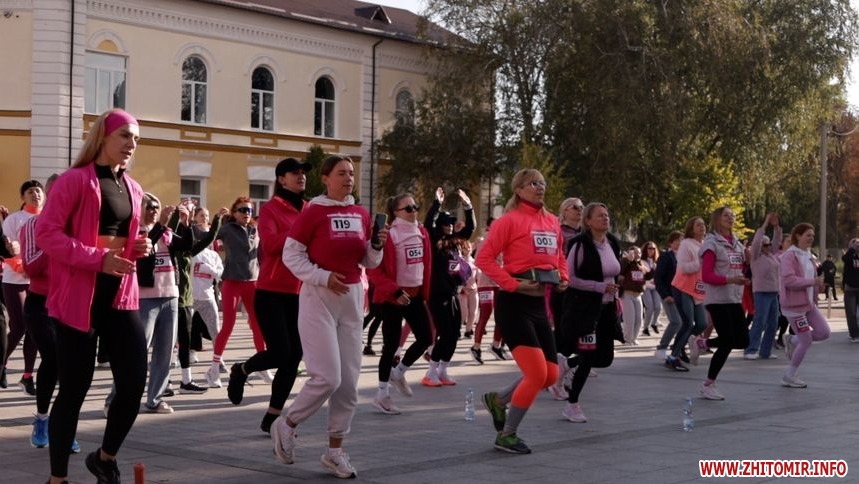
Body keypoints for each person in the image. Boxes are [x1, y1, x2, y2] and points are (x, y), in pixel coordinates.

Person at [36, 108, 153, 484]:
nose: (132, 144)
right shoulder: (74, 181)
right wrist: (99, 258)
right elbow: (47, 234)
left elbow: (122, 239)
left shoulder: (133, 187)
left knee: (133, 383)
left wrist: (139, 247)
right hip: (78, 299)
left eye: (136, 139)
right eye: (125, 136)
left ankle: (105, 458)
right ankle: (58, 478)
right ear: (103, 136)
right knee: (74, 389)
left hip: (121, 296)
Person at [272, 155, 386, 478]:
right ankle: (287, 423)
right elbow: (291, 254)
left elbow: (368, 261)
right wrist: (322, 277)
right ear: (326, 178)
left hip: (352, 299)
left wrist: (377, 246)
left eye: (351, 173)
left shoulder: (360, 213)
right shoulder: (313, 212)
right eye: (341, 173)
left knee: (348, 383)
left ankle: (335, 451)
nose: (349, 178)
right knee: (327, 377)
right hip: (318, 298)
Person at [475, 169, 568, 454]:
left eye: (542, 182)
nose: (540, 187)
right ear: (518, 189)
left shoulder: (552, 221)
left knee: (550, 375)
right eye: (533, 183)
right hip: (513, 305)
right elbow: (483, 258)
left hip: (539, 305)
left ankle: (498, 400)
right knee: (537, 374)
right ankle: (507, 435)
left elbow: (560, 256)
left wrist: (563, 277)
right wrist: (513, 284)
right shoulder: (508, 221)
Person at [226, 157, 310, 435]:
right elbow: (272, 246)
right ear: (281, 179)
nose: (301, 177)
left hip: (300, 292)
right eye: (295, 173)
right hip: (271, 291)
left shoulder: (309, 209)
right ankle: (241, 369)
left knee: (294, 356)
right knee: (281, 352)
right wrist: (301, 230)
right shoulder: (271, 209)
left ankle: (272, 417)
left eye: (303, 173)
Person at [367, 193, 433, 415]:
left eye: (416, 206)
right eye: (408, 208)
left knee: (426, 338)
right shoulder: (389, 234)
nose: (414, 211)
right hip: (392, 297)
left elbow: (425, 264)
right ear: (395, 212)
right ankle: (381, 395)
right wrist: (394, 291)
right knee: (390, 346)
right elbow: (373, 270)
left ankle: (398, 373)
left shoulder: (421, 231)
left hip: (415, 295)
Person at [557, 202, 621, 423]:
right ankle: (572, 405)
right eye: (600, 215)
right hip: (585, 310)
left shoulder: (612, 242)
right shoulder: (580, 244)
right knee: (588, 357)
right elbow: (570, 278)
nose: (605, 218)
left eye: (607, 214)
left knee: (604, 358)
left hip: (607, 308)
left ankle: (567, 364)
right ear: (588, 221)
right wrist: (599, 287)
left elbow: (614, 271)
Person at [207, 197, 266, 387]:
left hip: (253, 282)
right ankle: (214, 368)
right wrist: (217, 219)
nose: (246, 213)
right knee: (228, 325)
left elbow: (262, 254)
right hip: (232, 281)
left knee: (258, 325)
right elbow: (208, 236)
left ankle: (262, 367)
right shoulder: (228, 229)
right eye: (242, 210)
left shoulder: (255, 229)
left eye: (249, 210)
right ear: (234, 213)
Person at [422, 187, 475, 386]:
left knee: (454, 334)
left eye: (452, 223)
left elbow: (470, 229)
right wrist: (436, 204)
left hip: (453, 295)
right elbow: (428, 224)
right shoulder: (434, 242)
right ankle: (431, 372)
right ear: (440, 225)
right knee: (444, 334)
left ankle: (443, 370)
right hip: (437, 296)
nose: (450, 227)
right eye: (446, 224)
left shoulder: (454, 243)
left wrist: (468, 207)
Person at [695, 207, 749, 400]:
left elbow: (740, 268)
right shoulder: (711, 244)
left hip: (734, 298)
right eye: (726, 215)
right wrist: (731, 280)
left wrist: (744, 274)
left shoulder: (737, 244)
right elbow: (707, 276)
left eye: (733, 215)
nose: (730, 218)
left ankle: (703, 342)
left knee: (743, 340)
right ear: (717, 219)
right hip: (717, 299)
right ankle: (708, 384)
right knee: (726, 342)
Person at [2, 179, 45, 395]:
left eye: (38, 191)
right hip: (14, 281)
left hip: (39, 282)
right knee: (19, 327)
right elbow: (6, 249)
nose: (35, 194)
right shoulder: (15, 219)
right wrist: (23, 268)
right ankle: (2, 364)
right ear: (23, 197)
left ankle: (27, 377)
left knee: (35, 330)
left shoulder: (50, 218)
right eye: (30, 191)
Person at [780, 223, 830, 387]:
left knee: (824, 332)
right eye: (808, 235)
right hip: (794, 307)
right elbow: (789, 281)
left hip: (809, 304)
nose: (811, 238)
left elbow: (812, 278)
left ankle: (792, 340)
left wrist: (818, 286)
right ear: (798, 236)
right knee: (806, 340)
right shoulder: (789, 256)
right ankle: (789, 376)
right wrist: (812, 282)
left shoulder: (809, 255)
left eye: (813, 236)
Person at [744, 212, 782, 360]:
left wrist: (776, 226)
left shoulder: (771, 255)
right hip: (761, 293)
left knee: (773, 323)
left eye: (769, 244)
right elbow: (757, 240)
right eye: (765, 245)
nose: (768, 247)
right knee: (760, 321)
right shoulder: (756, 257)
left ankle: (765, 351)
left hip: (774, 293)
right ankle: (750, 349)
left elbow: (777, 240)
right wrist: (765, 223)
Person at [671, 217, 709, 365]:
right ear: (691, 228)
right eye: (698, 225)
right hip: (683, 288)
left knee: (702, 323)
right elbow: (684, 268)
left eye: (703, 224)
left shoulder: (705, 245)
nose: (702, 227)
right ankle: (673, 357)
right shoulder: (686, 244)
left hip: (698, 290)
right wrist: (701, 262)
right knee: (687, 323)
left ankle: (681, 344)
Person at [653, 231, 689, 371]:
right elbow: (658, 278)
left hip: (683, 294)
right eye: (677, 240)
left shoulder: (685, 257)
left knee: (686, 323)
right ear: (671, 242)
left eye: (682, 239)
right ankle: (662, 348)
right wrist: (665, 295)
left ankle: (679, 348)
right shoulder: (666, 257)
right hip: (670, 295)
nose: (680, 242)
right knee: (676, 321)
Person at [618, 245, 652, 345]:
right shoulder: (625, 262)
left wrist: (650, 270)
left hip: (638, 295)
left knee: (639, 319)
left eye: (639, 253)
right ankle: (628, 339)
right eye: (635, 252)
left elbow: (648, 276)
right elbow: (620, 270)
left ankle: (634, 338)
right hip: (627, 294)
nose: (638, 255)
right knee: (630, 319)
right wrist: (627, 260)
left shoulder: (642, 264)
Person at [640, 241, 661, 336]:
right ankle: (645, 328)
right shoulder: (642, 261)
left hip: (655, 287)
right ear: (645, 249)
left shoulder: (657, 261)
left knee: (658, 307)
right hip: (646, 287)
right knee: (650, 307)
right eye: (649, 248)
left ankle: (654, 323)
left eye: (653, 248)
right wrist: (651, 272)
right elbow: (645, 274)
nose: (651, 250)